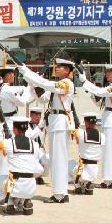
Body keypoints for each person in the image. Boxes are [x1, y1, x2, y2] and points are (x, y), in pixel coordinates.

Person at [18, 59, 76, 203]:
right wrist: (32, 83)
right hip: (55, 122)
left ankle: (60, 194)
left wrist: (30, 74)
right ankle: (60, 192)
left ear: (67, 71)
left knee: (59, 159)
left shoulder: (66, 83)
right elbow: (44, 98)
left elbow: (47, 84)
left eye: (60, 67)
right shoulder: (57, 87)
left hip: (61, 122)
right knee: (56, 159)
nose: (56, 68)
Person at [77, 64, 112, 188]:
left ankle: (108, 180)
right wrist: (91, 91)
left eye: (110, 72)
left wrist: (85, 82)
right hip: (109, 117)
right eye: (107, 72)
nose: (107, 74)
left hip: (110, 120)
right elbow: (99, 102)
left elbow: (101, 92)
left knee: (108, 150)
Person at [0, 116, 42, 216]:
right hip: (31, 187)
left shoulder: (8, 143)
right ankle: (25, 201)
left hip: (14, 186)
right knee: (26, 175)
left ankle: (10, 204)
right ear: (27, 129)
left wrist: (0, 133)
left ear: (14, 129)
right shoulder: (35, 145)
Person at [72, 113, 104, 195]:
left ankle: (78, 185)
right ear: (95, 122)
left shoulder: (81, 133)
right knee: (90, 172)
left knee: (70, 165)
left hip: (83, 169)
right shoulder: (102, 136)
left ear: (86, 122)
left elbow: (74, 131)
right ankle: (88, 185)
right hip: (95, 169)